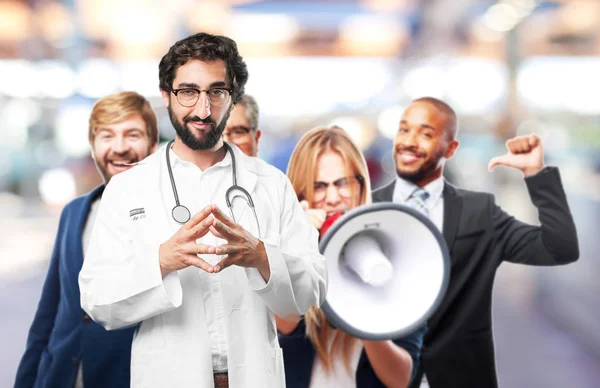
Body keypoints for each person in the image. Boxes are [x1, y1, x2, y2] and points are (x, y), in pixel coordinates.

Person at [78, 32, 327, 388]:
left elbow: (313, 290)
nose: (203, 108)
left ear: (232, 97)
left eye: (217, 92)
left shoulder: (271, 184)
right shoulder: (128, 188)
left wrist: (261, 256)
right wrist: (162, 260)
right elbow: (97, 300)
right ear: (166, 95)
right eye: (188, 91)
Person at [372, 96, 579, 388]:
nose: (409, 141)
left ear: (451, 148)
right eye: (404, 130)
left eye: (426, 133)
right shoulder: (365, 211)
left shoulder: (480, 213)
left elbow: (560, 248)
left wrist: (536, 174)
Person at [15, 91, 159, 388]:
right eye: (107, 136)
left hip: (126, 377)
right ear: (93, 147)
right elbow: (49, 311)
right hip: (58, 376)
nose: (119, 148)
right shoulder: (74, 212)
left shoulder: (167, 215)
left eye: (132, 135)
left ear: (153, 145)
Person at [278, 125, 426, 388]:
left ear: (360, 186)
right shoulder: (282, 251)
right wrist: (295, 247)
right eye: (319, 186)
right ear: (299, 193)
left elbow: (401, 379)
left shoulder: (398, 253)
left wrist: (363, 316)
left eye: (342, 183)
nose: (333, 198)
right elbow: (284, 325)